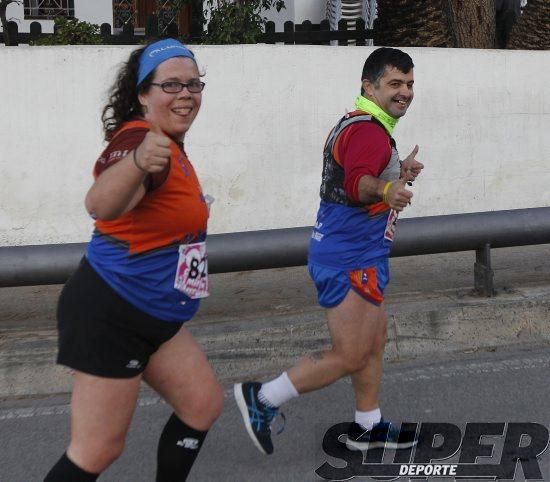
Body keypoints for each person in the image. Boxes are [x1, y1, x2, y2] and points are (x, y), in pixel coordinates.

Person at [44, 38, 223, 481]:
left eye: (194, 84)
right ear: (143, 94)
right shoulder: (140, 140)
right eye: (171, 85)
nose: (185, 93)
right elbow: (101, 204)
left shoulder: (170, 144)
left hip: (155, 314)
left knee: (202, 404)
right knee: (97, 450)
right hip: (114, 313)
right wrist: (139, 163)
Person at [234, 47, 424, 455]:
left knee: (373, 341)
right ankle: (264, 398)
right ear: (368, 86)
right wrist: (388, 187)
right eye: (395, 84)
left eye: (409, 84)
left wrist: (398, 173)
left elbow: (359, 177)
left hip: (359, 252)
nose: (405, 92)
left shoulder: (363, 124)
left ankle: (368, 427)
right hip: (348, 258)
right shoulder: (368, 131)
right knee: (351, 354)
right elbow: (358, 183)